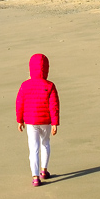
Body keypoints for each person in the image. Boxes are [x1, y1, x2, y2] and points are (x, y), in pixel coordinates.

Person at [15, 53, 60, 186]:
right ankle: (44, 170)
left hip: (30, 121)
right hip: (45, 121)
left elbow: (19, 104)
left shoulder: (25, 85)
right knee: (45, 143)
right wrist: (55, 123)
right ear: (46, 69)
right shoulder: (50, 85)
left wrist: (19, 120)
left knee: (33, 148)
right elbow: (54, 106)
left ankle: (35, 177)